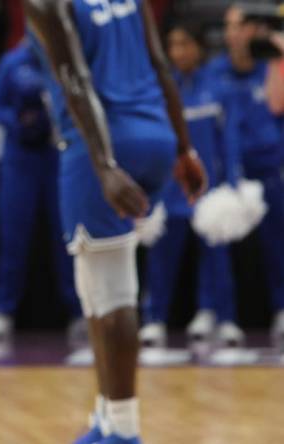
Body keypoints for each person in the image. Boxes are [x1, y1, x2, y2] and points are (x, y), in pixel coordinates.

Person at [24, 0, 206, 443]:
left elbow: (75, 79)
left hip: (101, 143)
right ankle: (106, 416)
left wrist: (103, 164)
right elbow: (161, 64)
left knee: (113, 291)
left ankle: (124, 428)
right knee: (95, 285)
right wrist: (185, 148)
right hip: (156, 135)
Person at [139, 24, 243, 349]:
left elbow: (229, 139)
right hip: (169, 192)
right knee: (162, 258)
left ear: (199, 47)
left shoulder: (218, 86)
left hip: (209, 192)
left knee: (217, 257)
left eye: (185, 44)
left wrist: (232, 184)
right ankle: (154, 319)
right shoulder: (161, 89)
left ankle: (220, 317)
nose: (178, 52)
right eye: (172, 45)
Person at [0, 39, 83, 345]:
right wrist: (19, 123)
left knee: (66, 235)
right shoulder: (13, 62)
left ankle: (79, 311)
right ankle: (3, 310)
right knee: (13, 235)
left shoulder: (68, 57)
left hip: (58, 154)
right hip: (20, 157)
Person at [214, 5, 284, 348]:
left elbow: (276, 106)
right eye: (227, 27)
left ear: (255, 29)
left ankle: (282, 310)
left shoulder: (272, 64)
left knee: (278, 245)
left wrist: (277, 57)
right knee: (218, 244)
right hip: (229, 173)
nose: (231, 33)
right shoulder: (215, 72)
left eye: (238, 26)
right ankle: (222, 316)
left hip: (270, 170)